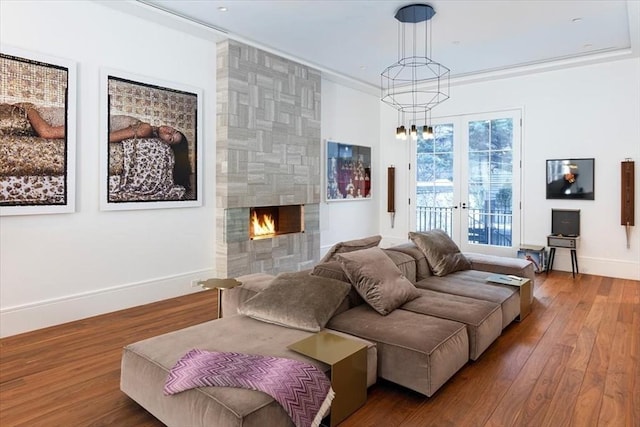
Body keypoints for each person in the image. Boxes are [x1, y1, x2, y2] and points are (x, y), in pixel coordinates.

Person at [109, 115, 192, 192]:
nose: (169, 132)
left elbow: (107, 138)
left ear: (166, 146)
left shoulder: (146, 130)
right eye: (174, 130)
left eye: (170, 139)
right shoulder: (147, 129)